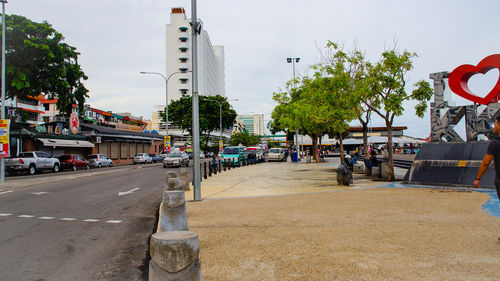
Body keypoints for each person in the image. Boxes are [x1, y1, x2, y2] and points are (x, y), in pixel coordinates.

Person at [474, 115, 500, 241]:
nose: (494, 126)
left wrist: (478, 178)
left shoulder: (495, 143)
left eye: (495, 124)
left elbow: (486, 162)